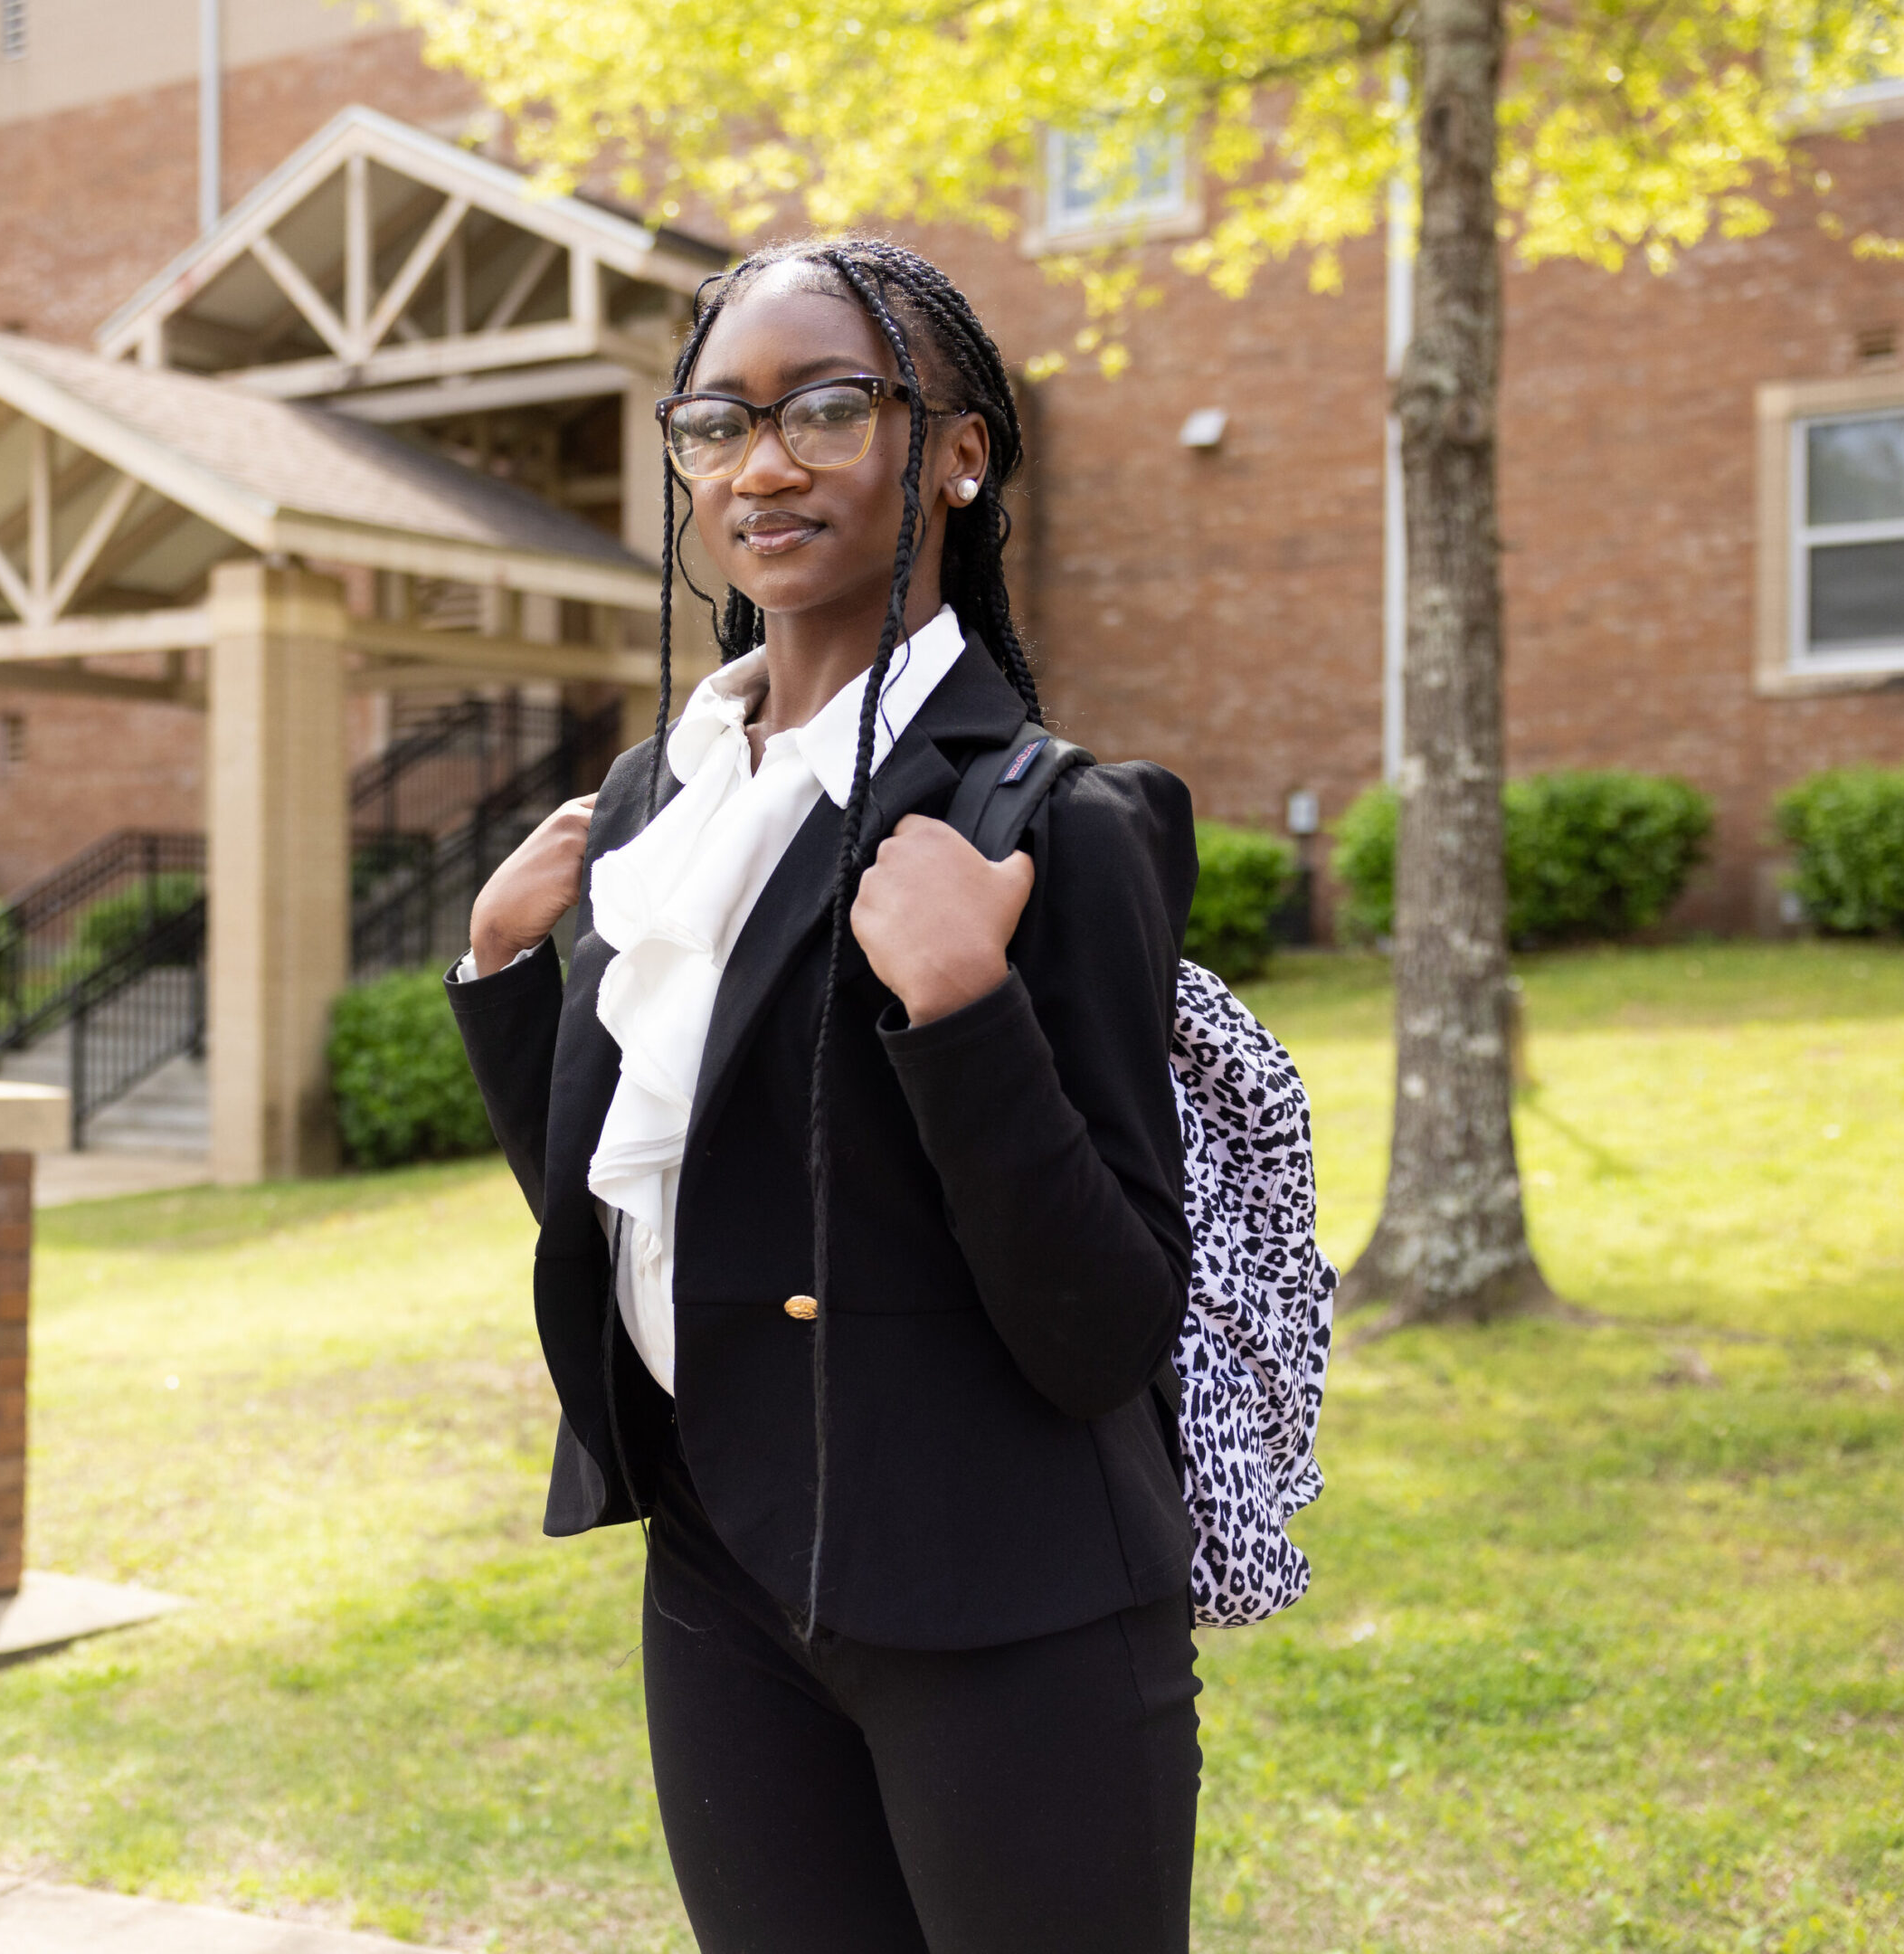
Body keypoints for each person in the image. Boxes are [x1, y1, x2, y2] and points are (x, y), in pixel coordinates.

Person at [444, 237, 1205, 1953]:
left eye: (829, 408)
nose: (761, 464)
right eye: (717, 424)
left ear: (956, 451)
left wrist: (963, 1007)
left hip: (1000, 1601)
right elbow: (661, 1205)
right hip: (723, 1569)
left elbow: (1103, 1328)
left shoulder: (1053, 822)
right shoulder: (655, 803)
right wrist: (505, 981)